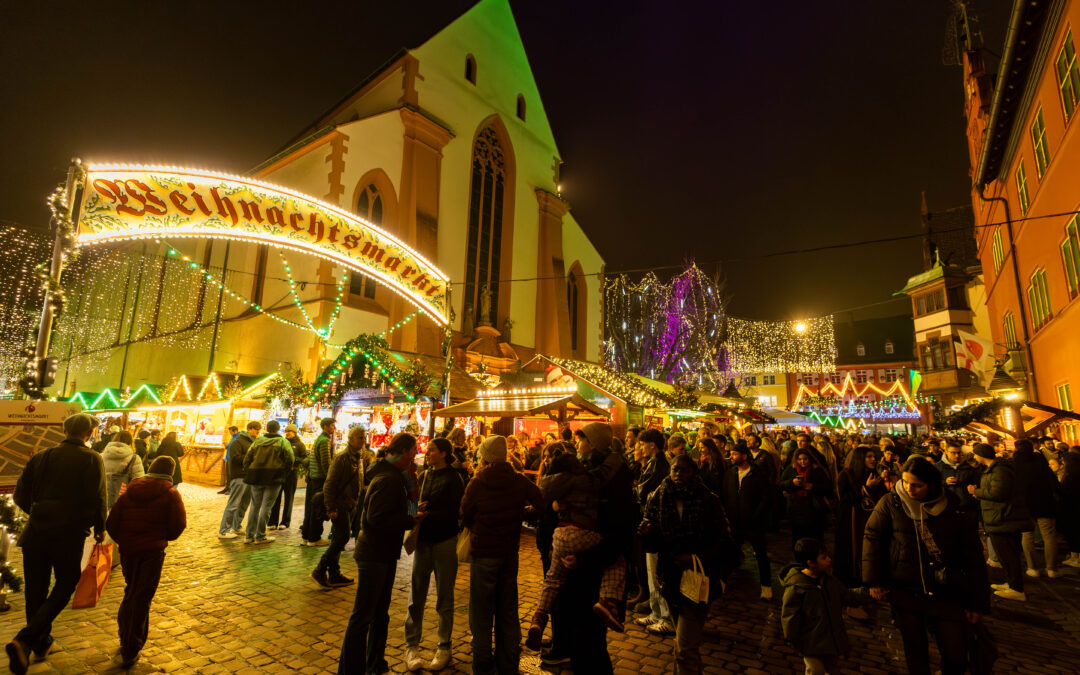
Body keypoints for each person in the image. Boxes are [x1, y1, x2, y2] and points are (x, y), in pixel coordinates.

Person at [864, 456, 990, 675]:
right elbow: (873, 539)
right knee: (915, 652)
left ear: (931, 484)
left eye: (917, 485)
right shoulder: (891, 502)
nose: (909, 489)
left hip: (947, 589)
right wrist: (874, 580)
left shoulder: (952, 506)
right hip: (906, 587)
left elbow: (972, 555)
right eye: (905, 482)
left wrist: (977, 601)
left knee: (955, 654)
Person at [7, 413, 107, 675]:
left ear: (65, 431)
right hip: (69, 533)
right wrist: (100, 527)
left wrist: (39, 511)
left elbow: (20, 494)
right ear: (89, 432)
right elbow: (98, 497)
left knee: (35, 590)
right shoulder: (91, 458)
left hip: (36, 532)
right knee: (66, 582)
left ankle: (38, 645)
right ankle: (26, 639)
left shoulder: (42, 456)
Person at [339, 433, 424, 675]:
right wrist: (409, 520)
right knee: (363, 615)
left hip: (384, 552)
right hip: (374, 553)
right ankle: (350, 669)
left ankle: (375, 664)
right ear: (405, 451)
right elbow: (375, 518)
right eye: (413, 451)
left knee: (379, 613)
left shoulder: (392, 475)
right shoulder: (388, 479)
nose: (414, 457)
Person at [640, 455, 732, 675]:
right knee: (685, 646)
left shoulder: (708, 500)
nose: (678, 474)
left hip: (699, 579)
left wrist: (694, 559)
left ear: (694, 473)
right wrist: (647, 533)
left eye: (684, 470)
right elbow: (652, 545)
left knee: (684, 647)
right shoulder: (658, 497)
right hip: (670, 577)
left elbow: (724, 543)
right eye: (674, 470)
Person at [460, 435, 543, 675]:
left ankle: (482, 663)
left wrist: (478, 523)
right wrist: (522, 515)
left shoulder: (478, 481)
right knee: (507, 608)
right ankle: (507, 662)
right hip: (508, 551)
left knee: (481, 610)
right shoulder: (518, 480)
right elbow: (541, 504)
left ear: (485, 456)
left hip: (484, 552)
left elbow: (464, 514)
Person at [105, 456, 186, 668]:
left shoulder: (129, 491)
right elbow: (178, 525)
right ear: (170, 473)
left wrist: (124, 540)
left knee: (131, 590)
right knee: (142, 596)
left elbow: (112, 522)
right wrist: (162, 538)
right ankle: (131, 646)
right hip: (152, 552)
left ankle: (125, 636)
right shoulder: (171, 494)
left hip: (129, 551)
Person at [404, 438, 466, 672]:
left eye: (431, 449)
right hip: (424, 540)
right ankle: (411, 645)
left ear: (443, 453)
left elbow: (454, 513)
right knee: (416, 593)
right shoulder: (425, 474)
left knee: (444, 596)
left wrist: (426, 513)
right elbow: (414, 501)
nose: (427, 452)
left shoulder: (454, 478)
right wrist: (414, 513)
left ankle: (444, 646)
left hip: (445, 541)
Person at [781, 538, 869, 675]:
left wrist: (869, 593)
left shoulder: (829, 581)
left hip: (830, 642)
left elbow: (847, 596)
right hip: (810, 644)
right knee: (816, 670)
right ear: (811, 563)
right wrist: (794, 641)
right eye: (824, 558)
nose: (829, 560)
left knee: (832, 670)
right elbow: (790, 617)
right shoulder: (796, 588)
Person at [968, 442, 1032, 600]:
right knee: (1005, 554)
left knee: (1008, 554)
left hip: (1003, 518)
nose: (974, 457)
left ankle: (1017, 589)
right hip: (998, 517)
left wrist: (976, 491)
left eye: (976, 454)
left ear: (981, 455)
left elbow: (999, 492)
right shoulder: (994, 469)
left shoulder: (999, 470)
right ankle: (1012, 583)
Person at [313, 426, 367, 589]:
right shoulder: (342, 458)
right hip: (340, 504)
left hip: (350, 503)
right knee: (342, 538)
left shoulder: (358, 457)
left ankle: (334, 574)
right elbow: (329, 484)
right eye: (359, 437)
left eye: (364, 438)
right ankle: (320, 569)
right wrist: (331, 507)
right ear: (350, 439)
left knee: (338, 539)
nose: (363, 441)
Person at [720, 440, 773, 599]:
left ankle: (766, 586)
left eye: (735, 454)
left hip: (753, 524)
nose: (732, 456)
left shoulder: (757, 473)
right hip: (735, 523)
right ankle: (722, 582)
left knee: (761, 555)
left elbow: (765, 498)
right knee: (729, 553)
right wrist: (727, 518)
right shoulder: (730, 473)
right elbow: (725, 495)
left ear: (744, 456)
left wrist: (756, 516)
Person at [633, 428, 674, 632]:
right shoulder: (653, 463)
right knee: (651, 570)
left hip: (655, 525)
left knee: (657, 572)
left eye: (642, 443)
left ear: (652, 445)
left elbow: (644, 492)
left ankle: (666, 617)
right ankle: (656, 612)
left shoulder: (659, 465)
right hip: (649, 523)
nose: (639, 447)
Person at [834, 446, 885, 594]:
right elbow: (844, 501)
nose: (873, 459)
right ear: (860, 458)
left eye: (873, 456)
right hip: (852, 523)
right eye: (869, 456)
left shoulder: (875, 474)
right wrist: (865, 489)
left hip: (871, 520)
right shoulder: (846, 475)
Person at [1013, 438, 1062, 579]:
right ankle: (1052, 569)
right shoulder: (1039, 460)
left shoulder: (1014, 463)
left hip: (1024, 505)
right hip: (1044, 503)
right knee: (1049, 536)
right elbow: (1052, 481)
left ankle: (1033, 568)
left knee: (1027, 536)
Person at [242, 420, 294, 545]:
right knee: (267, 506)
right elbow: (290, 459)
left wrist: (248, 470)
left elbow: (247, 458)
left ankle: (249, 535)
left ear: (266, 428)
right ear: (277, 430)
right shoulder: (282, 442)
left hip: (256, 476)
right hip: (274, 477)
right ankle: (260, 535)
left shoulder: (258, 441)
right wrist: (284, 472)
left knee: (255, 506)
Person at [780, 448, 832, 554]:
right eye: (799, 459)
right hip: (796, 509)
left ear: (810, 459)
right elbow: (781, 484)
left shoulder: (818, 471)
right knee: (798, 537)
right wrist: (792, 483)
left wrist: (812, 487)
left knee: (815, 537)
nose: (802, 461)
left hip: (814, 511)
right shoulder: (791, 469)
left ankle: (816, 557)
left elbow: (827, 488)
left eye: (805, 459)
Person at [218, 421, 259, 539]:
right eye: (256, 429)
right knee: (233, 503)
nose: (257, 431)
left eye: (258, 429)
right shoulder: (238, 442)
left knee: (244, 503)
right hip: (239, 476)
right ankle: (224, 531)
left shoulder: (255, 442)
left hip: (250, 477)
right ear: (249, 429)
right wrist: (251, 457)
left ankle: (236, 526)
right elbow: (235, 458)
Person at [302, 418, 335, 547]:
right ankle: (314, 538)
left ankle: (306, 536)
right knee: (318, 508)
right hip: (319, 479)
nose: (334, 428)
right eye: (332, 426)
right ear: (326, 427)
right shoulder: (324, 441)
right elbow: (326, 462)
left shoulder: (319, 439)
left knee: (311, 508)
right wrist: (330, 478)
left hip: (313, 477)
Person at [269, 423, 307, 531]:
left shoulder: (299, 445)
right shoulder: (281, 442)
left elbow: (304, 458)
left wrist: (294, 460)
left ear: (294, 432)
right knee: (276, 498)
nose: (287, 433)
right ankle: (272, 522)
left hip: (291, 474)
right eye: (286, 431)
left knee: (288, 499)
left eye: (289, 431)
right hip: (280, 474)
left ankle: (285, 522)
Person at [102, 430, 146, 510]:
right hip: (122, 499)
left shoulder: (101, 456)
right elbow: (139, 482)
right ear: (131, 442)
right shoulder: (134, 458)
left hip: (102, 497)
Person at [936, 440, 979, 516]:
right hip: (946, 509)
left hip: (967, 509)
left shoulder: (969, 467)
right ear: (946, 452)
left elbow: (976, 483)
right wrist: (944, 483)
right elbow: (931, 485)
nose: (957, 455)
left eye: (959, 453)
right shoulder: (937, 467)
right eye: (953, 453)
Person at [219, 426, 238, 495]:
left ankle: (230, 489)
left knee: (230, 474)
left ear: (235, 431)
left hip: (232, 458)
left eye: (231, 432)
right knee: (228, 474)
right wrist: (227, 445)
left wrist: (228, 445)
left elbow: (235, 448)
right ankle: (226, 488)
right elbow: (230, 447)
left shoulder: (237, 438)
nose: (231, 434)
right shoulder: (233, 437)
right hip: (228, 457)